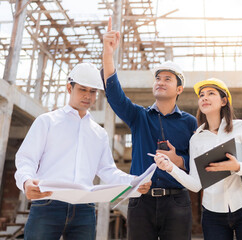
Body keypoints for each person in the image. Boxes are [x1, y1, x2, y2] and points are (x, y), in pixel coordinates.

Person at [14, 62, 151, 240]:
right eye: (82, 89)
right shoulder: (46, 122)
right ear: (69, 88)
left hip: (84, 210)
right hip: (48, 204)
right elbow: (26, 159)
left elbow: (107, 170)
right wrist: (26, 182)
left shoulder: (99, 133)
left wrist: (135, 181)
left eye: (93, 91)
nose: (88, 96)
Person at [102, 17, 197, 240]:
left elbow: (197, 165)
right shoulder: (139, 117)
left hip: (176, 202)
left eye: (167, 79)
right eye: (157, 78)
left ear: (179, 88)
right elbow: (115, 95)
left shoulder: (190, 122)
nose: (160, 82)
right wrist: (108, 54)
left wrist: (178, 160)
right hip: (140, 202)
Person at [154, 78, 242, 240]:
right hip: (213, 214)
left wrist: (237, 167)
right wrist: (170, 168)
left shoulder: (241, 127)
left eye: (211, 93)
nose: (204, 98)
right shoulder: (196, 139)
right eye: (201, 95)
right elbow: (195, 184)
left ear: (223, 101)